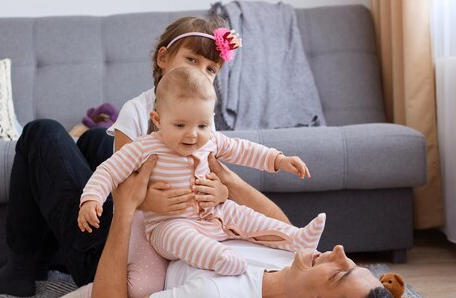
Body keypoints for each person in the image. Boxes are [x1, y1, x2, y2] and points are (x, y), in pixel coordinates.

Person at [0, 15, 290, 297]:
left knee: (41, 131)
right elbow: (121, 181)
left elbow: (213, 177)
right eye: (191, 60)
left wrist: (221, 191)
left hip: (130, 254)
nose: (202, 74)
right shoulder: (139, 112)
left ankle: (24, 265)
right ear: (163, 58)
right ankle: (35, 261)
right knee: (97, 138)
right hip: (139, 230)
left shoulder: (199, 124)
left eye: (211, 69)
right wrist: (148, 200)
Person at [83, 155, 395, 298]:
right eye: (351, 263)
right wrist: (225, 177)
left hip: (118, 247)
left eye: (338, 274)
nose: (339, 252)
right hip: (171, 216)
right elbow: (277, 226)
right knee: (107, 144)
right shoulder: (297, 275)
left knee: (48, 137)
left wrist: (126, 206)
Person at [78, 66, 324, 276]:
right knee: (181, 238)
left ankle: (296, 238)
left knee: (249, 219)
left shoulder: (212, 141)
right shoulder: (146, 147)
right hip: (169, 223)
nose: (192, 134)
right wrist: (91, 198)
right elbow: (109, 170)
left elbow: (245, 150)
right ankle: (220, 258)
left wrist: (279, 160)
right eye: (180, 125)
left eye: (202, 125)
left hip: (215, 212)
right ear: (158, 119)